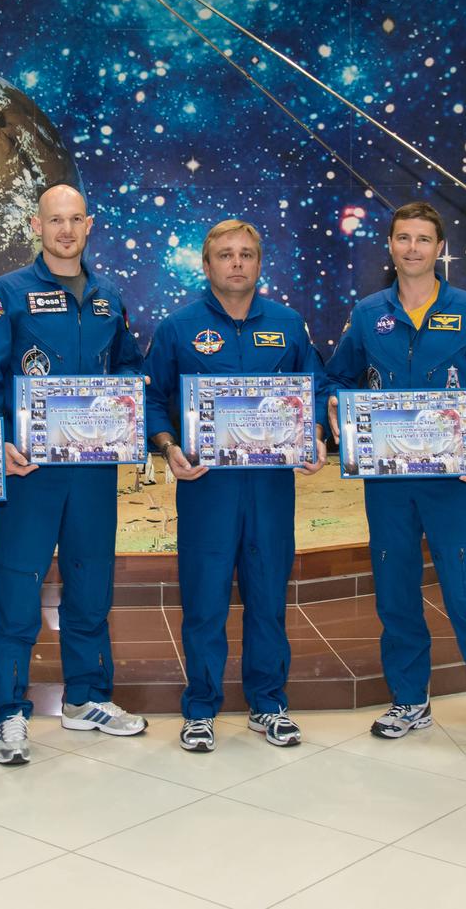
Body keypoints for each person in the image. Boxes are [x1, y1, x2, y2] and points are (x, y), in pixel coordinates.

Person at [326, 201, 466, 769]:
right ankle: (410, 700)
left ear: (440, 249)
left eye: (423, 239)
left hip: (451, 479)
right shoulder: (367, 314)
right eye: (402, 238)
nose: (412, 248)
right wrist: (337, 406)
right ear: (389, 245)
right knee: (395, 592)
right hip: (388, 481)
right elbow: (338, 376)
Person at [0, 184, 146, 765]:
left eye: (75, 220)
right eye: (54, 221)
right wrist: (1, 442)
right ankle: (10, 713)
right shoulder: (8, 294)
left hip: (92, 469)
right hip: (30, 470)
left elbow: (126, 365)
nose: (65, 231)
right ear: (36, 226)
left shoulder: (108, 297)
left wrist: (132, 397)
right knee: (18, 587)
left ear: (88, 226)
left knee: (91, 583)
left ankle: (86, 698)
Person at [144, 219, 328, 753]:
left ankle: (268, 703)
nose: (237, 263)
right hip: (207, 487)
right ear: (207, 266)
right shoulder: (178, 328)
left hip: (271, 487)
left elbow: (313, 390)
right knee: (204, 598)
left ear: (259, 263)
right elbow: (154, 399)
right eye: (226, 255)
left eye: (247, 253)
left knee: (268, 595)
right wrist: (168, 446)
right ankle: (200, 707)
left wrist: (315, 433)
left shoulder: (289, 324)